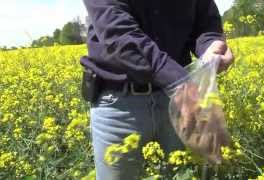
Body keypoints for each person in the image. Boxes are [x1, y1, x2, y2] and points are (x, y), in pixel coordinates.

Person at [81, 0, 234, 179]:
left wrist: (212, 46)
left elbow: (205, 19)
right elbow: (119, 34)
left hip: (181, 99)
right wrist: (180, 83)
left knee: (187, 173)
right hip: (119, 105)